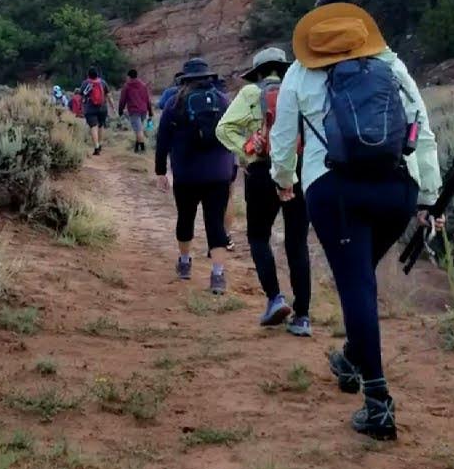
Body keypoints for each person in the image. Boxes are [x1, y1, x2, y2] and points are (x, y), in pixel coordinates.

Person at [269, 0, 443, 441]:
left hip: (335, 190)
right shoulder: (391, 64)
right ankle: (350, 357)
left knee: (355, 284)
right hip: (396, 189)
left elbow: (284, 136)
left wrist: (283, 179)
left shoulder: (299, 73)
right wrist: (428, 197)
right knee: (360, 277)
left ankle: (377, 402)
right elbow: (421, 131)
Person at [215, 47, 312, 337]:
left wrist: (245, 152)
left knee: (258, 237)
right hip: (298, 171)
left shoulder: (249, 95)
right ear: (283, 69)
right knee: (297, 243)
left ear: (256, 73)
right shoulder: (300, 89)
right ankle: (303, 316)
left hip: (261, 173)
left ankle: (275, 299)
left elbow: (223, 129)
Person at [154, 58, 234, 294]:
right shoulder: (223, 101)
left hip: (186, 173)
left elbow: (162, 140)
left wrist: (161, 171)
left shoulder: (174, 103)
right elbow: (232, 134)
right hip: (219, 173)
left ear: (185, 79)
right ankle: (218, 275)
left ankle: (185, 262)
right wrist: (232, 170)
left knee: (185, 217)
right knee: (215, 224)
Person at [117, 69, 153, 153]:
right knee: (138, 129)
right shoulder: (143, 85)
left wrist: (120, 110)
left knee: (139, 130)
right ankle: (136, 148)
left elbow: (122, 100)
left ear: (129, 77)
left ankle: (143, 149)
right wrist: (150, 111)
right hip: (143, 110)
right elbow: (148, 99)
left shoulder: (127, 86)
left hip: (134, 111)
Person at [80, 68, 110, 155]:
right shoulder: (103, 82)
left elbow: (81, 94)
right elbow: (108, 95)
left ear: (88, 75)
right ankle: (100, 144)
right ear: (97, 74)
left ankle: (96, 147)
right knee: (101, 126)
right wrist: (112, 107)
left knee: (93, 127)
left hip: (90, 108)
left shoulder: (85, 83)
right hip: (103, 108)